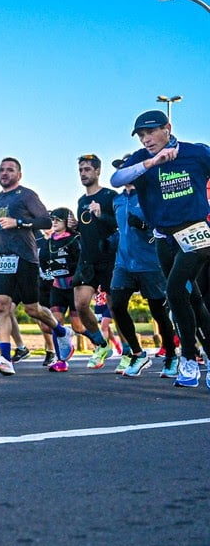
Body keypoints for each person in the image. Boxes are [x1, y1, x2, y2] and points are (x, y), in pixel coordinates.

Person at [110, 109, 210, 388]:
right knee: (192, 298)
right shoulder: (143, 159)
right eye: (141, 135)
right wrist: (151, 163)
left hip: (196, 233)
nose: (146, 139)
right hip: (164, 238)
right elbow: (116, 180)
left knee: (175, 291)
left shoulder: (196, 153)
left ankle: (188, 359)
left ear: (168, 127)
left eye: (151, 132)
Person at [0, 157, 68, 376]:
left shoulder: (27, 195)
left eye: (10, 170)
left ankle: (60, 331)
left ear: (19, 175)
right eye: (1, 169)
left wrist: (17, 223)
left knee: (32, 309)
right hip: (4, 256)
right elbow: (7, 222)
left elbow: (46, 221)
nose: (4, 173)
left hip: (26, 257)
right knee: (1, 305)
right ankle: (5, 358)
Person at [106, 155, 173, 378]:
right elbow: (119, 229)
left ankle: (171, 356)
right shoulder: (117, 200)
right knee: (116, 305)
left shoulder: (151, 195)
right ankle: (138, 353)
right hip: (124, 263)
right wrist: (111, 241)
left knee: (158, 311)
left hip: (150, 263)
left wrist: (145, 225)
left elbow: (163, 226)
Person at [70, 154, 118, 368]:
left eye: (88, 169)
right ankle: (101, 344)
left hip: (108, 258)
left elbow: (118, 225)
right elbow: (87, 230)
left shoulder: (110, 196)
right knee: (80, 304)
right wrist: (74, 227)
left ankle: (129, 351)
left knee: (115, 307)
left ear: (98, 171)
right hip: (87, 260)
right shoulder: (81, 201)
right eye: (81, 170)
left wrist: (102, 215)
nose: (83, 173)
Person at [41, 208, 82, 372]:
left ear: (67, 221)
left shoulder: (74, 239)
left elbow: (80, 261)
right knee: (54, 323)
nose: (54, 222)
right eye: (52, 219)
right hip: (57, 288)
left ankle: (101, 343)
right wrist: (49, 272)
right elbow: (43, 261)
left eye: (58, 219)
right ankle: (61, 361)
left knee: (78, 327)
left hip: (74, 288)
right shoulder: (49, 242)